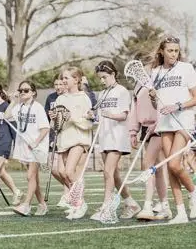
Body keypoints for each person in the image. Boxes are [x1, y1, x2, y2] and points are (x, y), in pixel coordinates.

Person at [148, 36, 196, 223]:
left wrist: (177, 106)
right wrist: (153, 97)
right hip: (164, 123)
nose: (173, 54)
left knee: (174, 164)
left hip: (183, 120)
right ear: (162, 51)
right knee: (170, 170)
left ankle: (195, 193)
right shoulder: (155, 72)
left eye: (176, 51)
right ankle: (180, 212)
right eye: (170, 50)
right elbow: (155, 102)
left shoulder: (186, 69)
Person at [89, 60, 140, 221]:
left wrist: (108, 114)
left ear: (113, 74)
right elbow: (100, 116)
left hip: (117, 137)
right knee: (115, 175)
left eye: (105, 77)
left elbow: (124, 115)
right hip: (105, 137)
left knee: (108, 172)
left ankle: (106, 207)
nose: (102, 81)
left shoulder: (122, 91)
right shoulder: (102, 93)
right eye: (100, 78)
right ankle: (131, 203)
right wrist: (93, 116)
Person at [129, 56, 170, 221]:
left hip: (160, 126)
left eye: (146, 67)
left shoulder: (158, 81)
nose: (143, 72)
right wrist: (133, 131)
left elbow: (163, 104)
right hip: (146, 128)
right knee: (158, 169)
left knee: (148, 164)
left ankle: (147, 204)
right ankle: (164, 205)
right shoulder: (138, 87)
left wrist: (158, 122)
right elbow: (134, 110)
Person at [53, 67, 94, 219]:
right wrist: (54, 118)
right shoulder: (60, 99)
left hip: (79, 140)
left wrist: (72, 117)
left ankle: (80, 203)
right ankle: (76, 203)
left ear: (76, 79)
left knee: (70, 171)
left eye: (67, 78)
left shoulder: (84, 98)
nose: (64, 81)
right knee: (62, 173)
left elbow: (88, 123)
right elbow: (56, 126)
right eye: (63, 78)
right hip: (64, 140)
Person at [5, 80, 49, 216]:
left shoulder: (38, 107)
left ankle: (26, 205)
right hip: (24, 146)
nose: (23, 93)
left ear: (33, 92)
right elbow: (6, 116)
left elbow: (45, 128)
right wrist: (13, 101)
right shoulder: (19, 107)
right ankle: (42, 204)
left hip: (36, 147)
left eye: (26, 90)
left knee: (30, 176)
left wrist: (36, 143)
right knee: (33, 178)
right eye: (21, 90)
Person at [0, 83, 22, 206]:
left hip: (4, 141)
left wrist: (17, 144)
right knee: (0, 172)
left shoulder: (8, 106)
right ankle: (16, 191)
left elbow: (14, 127)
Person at [44, 75, 69, 205]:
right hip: (53, 136)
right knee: (53, 169)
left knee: (64, 168)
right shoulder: (51, 98)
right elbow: (47, 119)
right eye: (56, 85)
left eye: (61, 84)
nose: (58, 87)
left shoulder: (69, 97)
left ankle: (66, 193)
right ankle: (71, 188)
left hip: (67, 136)